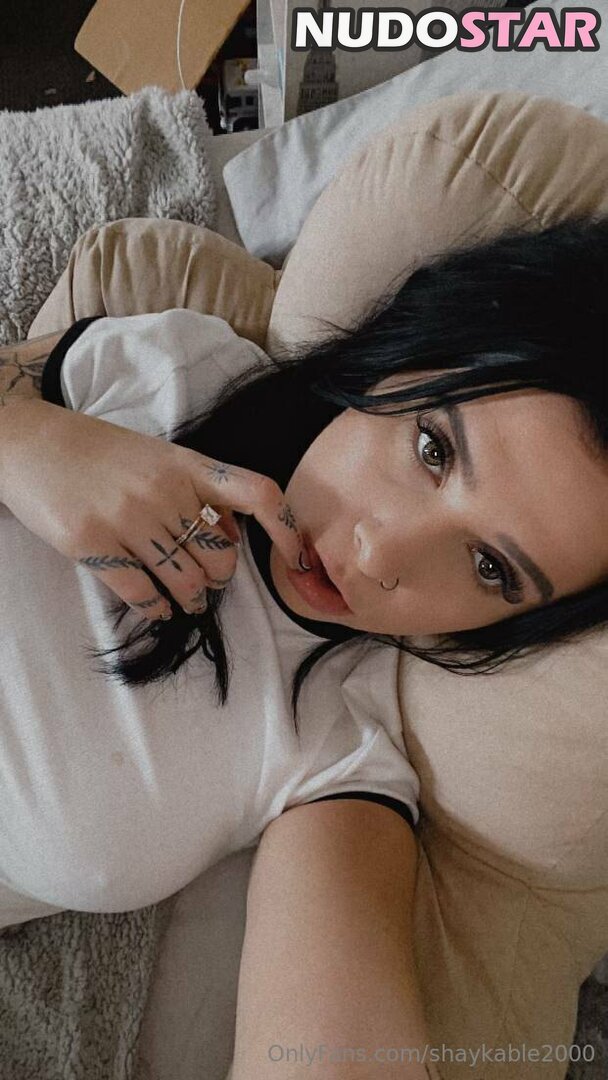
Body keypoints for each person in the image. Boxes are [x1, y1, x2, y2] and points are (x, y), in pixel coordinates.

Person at [1, 214, 607, 1079]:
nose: (381, 555)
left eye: (488, 566)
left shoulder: (339, 750)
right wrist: (28, 441)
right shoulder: (177, 376)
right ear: (407, 350)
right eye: (432, 448)